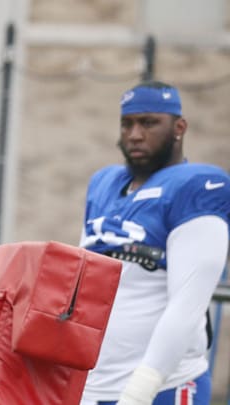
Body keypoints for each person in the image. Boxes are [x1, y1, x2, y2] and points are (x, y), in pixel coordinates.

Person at [79, 81, 230, 405]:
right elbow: (84, 284)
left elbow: (186, 305)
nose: (134, 134)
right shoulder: (104, 184)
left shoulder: (196, 188)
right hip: (94, 386)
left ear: (179, 127)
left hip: (162, 388)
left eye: (148, 123)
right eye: (127, 123)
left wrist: (142, 387)